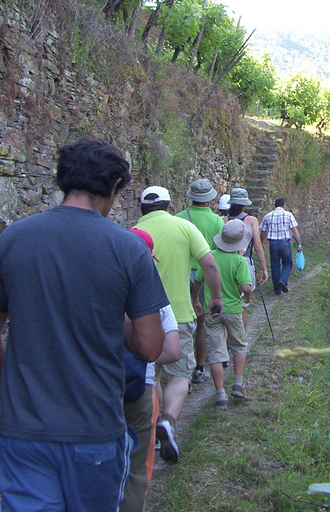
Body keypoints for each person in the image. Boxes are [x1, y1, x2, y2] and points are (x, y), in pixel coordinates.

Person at [0, 137, 169, 511]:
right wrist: (114, 321)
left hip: (25, 432)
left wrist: (13, 391)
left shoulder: (13, 238)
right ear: (113, 188)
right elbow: (150, 346)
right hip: (95, 431)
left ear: (64, 181)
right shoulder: (128, 248)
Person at [135, 185, 222, 465]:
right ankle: (169, 421)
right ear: (169, 205)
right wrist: (215, 297)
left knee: (153, 375)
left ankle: (156, 422)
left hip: (142, 318)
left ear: (142, 209)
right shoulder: (183, 228)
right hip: (179, 315)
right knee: (180, 375)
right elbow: (208, 264)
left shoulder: (132, 232)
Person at [121, 228, 181, 512]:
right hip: (138, 388)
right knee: (135, 469)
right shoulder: (156, 300)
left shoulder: (95, 287)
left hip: (92, 389)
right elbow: (171, 352)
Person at [197, 220, 253, 405]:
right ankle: (238, 383)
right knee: (238, 345)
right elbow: (245, 286)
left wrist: (196, 300)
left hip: (212, 311)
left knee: (216, 352)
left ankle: (220, 394)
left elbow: (197, 281)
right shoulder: (238, 261)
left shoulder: (209, 257)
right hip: (234, 311)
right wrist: (247, 298)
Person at [176, 178, 224, 387]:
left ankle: (179, 371)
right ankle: (199, 368)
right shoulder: (216, 221)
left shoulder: (178, 218)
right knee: (202, 322)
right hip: (204, 276)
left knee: (181, 322)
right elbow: (220, 252)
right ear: (210, 199)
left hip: (182, 273)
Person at [259, 197, 302, 295]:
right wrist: (299, 244)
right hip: (284, 242)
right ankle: (283, 280)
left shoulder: (268, 216)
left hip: (272, 243)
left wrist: (261, 243)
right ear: (284, 205)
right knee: (287, 263)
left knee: (275, 265)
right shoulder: (288, 215)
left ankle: (277, 290)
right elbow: (294, 230)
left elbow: (263, 232)